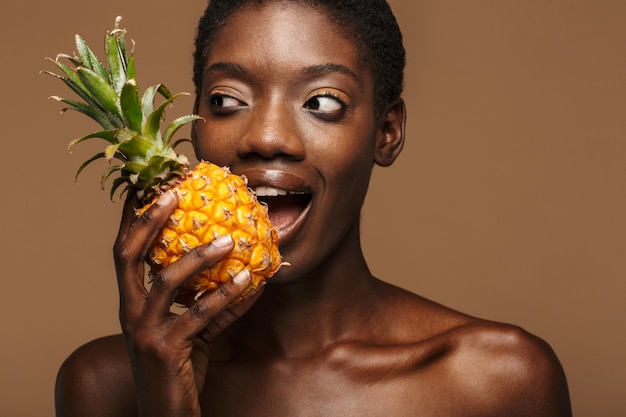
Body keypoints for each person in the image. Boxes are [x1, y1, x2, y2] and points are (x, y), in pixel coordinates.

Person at [55, 1, 572, 416]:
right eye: (226, 101)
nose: (267, 137)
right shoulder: (105, 386)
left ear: (386, 132)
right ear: (193, 131)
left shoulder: (500, 381)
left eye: (322, 102)